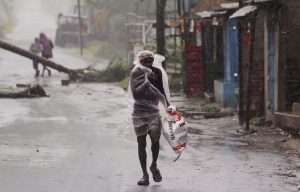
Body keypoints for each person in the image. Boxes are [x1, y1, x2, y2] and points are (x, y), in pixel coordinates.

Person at [129, 50, 170, 186]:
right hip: (139, 112)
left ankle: (153, 165)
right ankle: (144, 175)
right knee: (141, 142)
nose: (148, 63)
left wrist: (168, 105)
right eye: (145, 61)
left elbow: (161, 92)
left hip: (153, 111)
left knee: (155, 140)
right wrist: (147, 82)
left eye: (150, 61)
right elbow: (135, 94)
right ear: (140, 61)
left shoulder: (157, 72)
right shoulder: (136, 73)